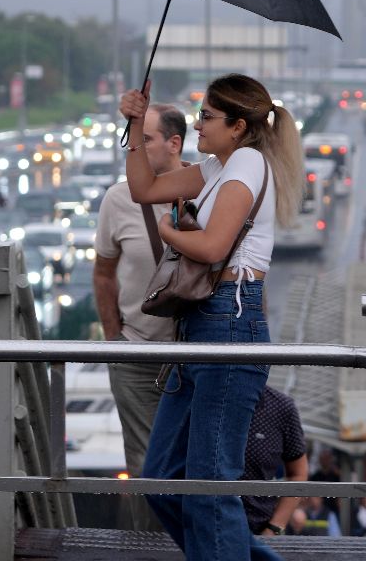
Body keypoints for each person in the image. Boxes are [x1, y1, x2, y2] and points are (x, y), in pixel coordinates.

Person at [121, 74, 304, 561]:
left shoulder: (246, 162)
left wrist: (168, 230)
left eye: (207, 116)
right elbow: (143, 187)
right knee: (162, 479)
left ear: (238, 126)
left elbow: (213, 245)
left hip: (231, 320)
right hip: (199, 325)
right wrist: (137, 126)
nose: (198, 124)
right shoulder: (216, 166)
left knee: (210, 484)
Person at [93, 102, 189, 531]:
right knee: (145, 463)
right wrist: (115, 338)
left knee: (195, 461)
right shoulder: (118, 198)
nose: (134, 147)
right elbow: (102, 273)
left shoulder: (207, 187)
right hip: (135, 352)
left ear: (174, 144)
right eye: (131, 139)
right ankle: (148, 550)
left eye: (144, 139)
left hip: (194, 352)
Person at [241, 385, 309, 538]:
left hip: (257, 530)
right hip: (205, 528)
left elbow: (298, 473)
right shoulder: (200, 398)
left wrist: (274, 528)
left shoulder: (280, 407)